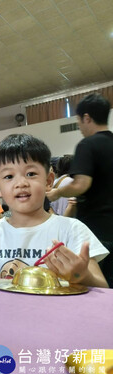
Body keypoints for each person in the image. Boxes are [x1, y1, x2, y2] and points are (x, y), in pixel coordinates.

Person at [0, 134, 109, 288]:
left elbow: (103, 287)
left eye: (31, 174)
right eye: (9, 176)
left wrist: (80, 276)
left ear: (49, 181)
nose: (21, 183)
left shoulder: (71, 229)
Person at [47, 93, 113, 287]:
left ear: (87, 118)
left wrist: (57, 192)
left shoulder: (88, 144)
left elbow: (80, 185)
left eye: (78, 121)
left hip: (99, 229)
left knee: (101, 285)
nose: (80, 127)